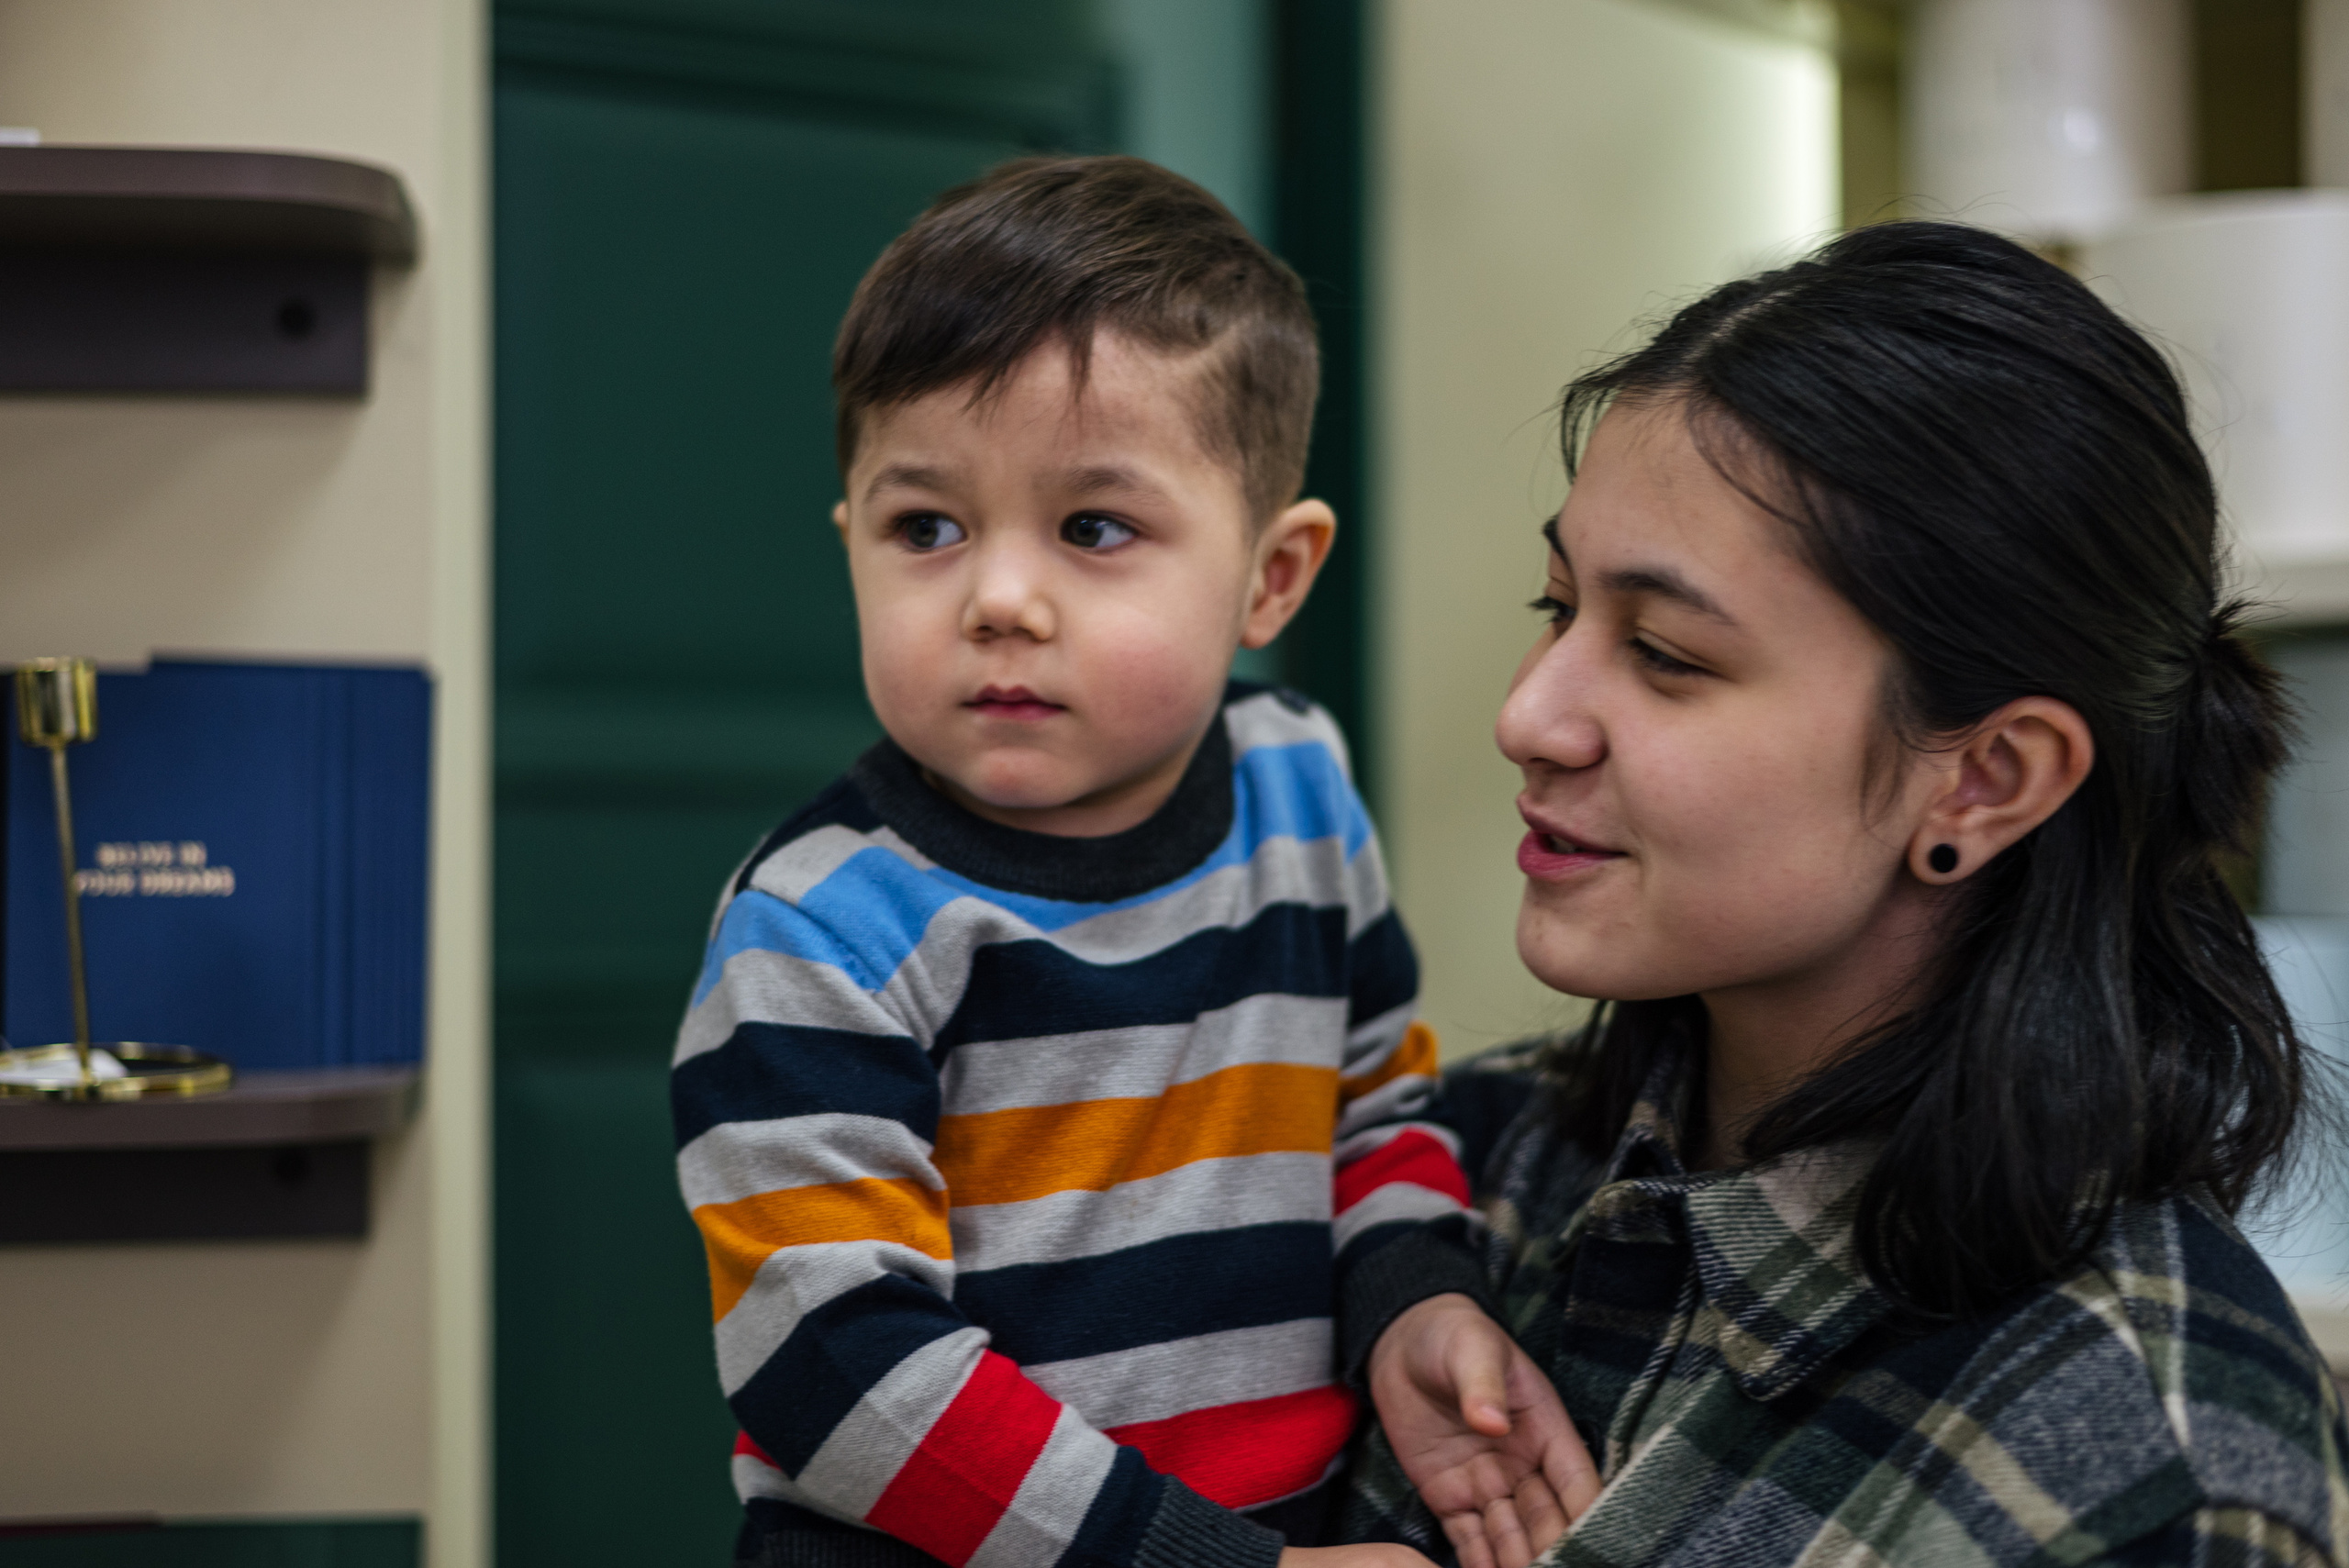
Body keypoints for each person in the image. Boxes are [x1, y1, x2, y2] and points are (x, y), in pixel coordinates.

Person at [1336, 221, 2349, 1568]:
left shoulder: (2146, 1457)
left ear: (1985, 777)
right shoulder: (1447, 1176)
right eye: (1555, 603)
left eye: (1666, 653)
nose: (1532, 712)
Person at [670, 156, 1468, 1568]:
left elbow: (1374, 1098)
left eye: (1096, 527)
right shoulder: (818, 928)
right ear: (851, 541)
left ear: (1270, 579)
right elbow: (840, 1372)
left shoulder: (1299, 783)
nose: (999, 599)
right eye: (928, 527)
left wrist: (1419, 1296)